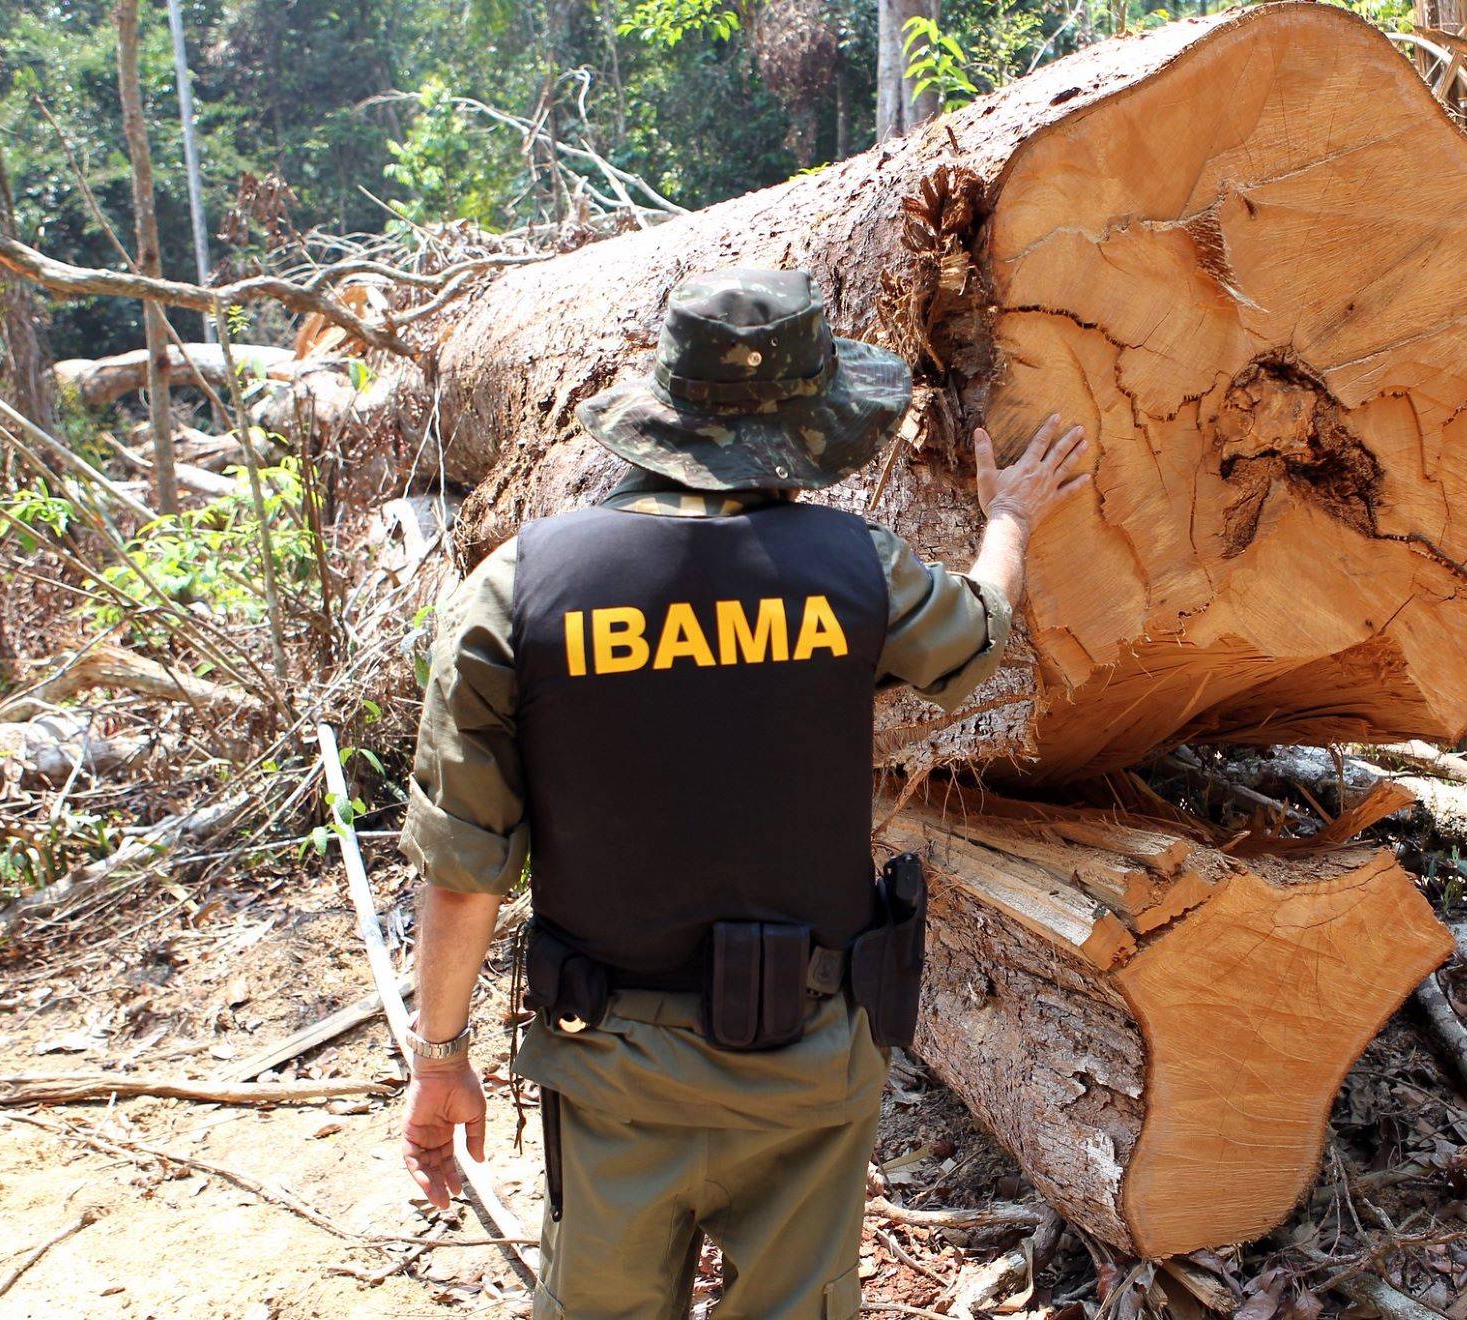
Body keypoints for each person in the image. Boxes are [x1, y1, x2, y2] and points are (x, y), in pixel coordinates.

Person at [396, 267, 1087, 1319]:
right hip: (806, 1062)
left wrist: (440, 1061)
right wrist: (1010, 522)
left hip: (610, 1069)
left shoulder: (517, 591)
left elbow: (462, 866)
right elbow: (975, 637)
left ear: (663, 414)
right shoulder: (855, 573)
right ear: (811, 426)